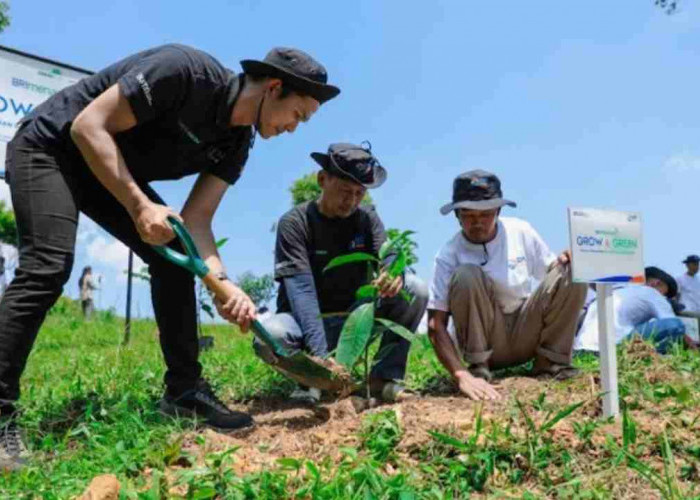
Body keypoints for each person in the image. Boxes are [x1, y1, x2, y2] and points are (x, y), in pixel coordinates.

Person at [0, 44, 340, 470]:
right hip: (50, 147)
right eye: (298, 115)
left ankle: (183, 394)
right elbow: (88, 127)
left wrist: (223, 285)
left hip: (101, 172)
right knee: (48, 265)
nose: (294, 127)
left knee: (173, 253)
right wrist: (140, 206)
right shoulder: (183, 73)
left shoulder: (236, 143)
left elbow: (196, 222)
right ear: (274, 88)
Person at [256, 143, 428, 404]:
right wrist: (320, 356)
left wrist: (394, 272)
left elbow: (388, 252)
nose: (352, 201)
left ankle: (383, 379)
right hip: (305, 326)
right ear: (322, 180)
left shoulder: (367, 218)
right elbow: (301, 291)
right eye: (345, 191)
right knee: (270, 335)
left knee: (414, 289)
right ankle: (311, 381)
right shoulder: (294, 223)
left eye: (360, 193)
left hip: (354, 322)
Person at [427, 170, 587, 401]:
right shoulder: (448, 255)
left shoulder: (521, 231)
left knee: (572, 269)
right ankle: (479, 368)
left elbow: (553, 275)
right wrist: (461, 375)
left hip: (526, 331)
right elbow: (435, 324)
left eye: (485, 214)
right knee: (466, 275)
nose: (477, 223)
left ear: (498, 211)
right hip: (485, 341)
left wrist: (568, 260)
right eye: (468, 215)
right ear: (457, 216)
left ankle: (551, 363)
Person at [574, 266, 696, 353]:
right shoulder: (652, 292)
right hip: (611, 347)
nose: (665, 298)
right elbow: (672, 323)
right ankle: (648, 358)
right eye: (666, 293)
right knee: (675, 325)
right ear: (656, 283)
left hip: (582, 349)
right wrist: (694, 348)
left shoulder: (616, 290)